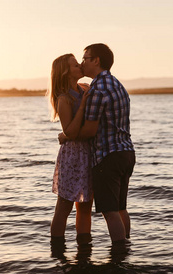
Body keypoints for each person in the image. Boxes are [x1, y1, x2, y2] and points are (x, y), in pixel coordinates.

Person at [61, 43, 135, 243]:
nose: (82, 63)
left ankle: (119, 254)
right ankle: (126, 248)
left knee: (110, 211)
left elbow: (89, 131)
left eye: (85, 59)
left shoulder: (97, 90)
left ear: (96, 60)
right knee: (121, 208)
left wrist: (66, 136)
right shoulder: (116, 83)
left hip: (107, 157)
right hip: (126, 152)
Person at [48, 53, 93, 246]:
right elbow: (71, 132)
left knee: (85, 206)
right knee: (64, 206)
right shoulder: (64, 99)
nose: (80, 66)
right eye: (75, 65)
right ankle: (57, 249)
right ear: (66, 73)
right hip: (73, 156)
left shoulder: (85, 88)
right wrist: (83, 105)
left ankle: (84, 248)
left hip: (88, 153)